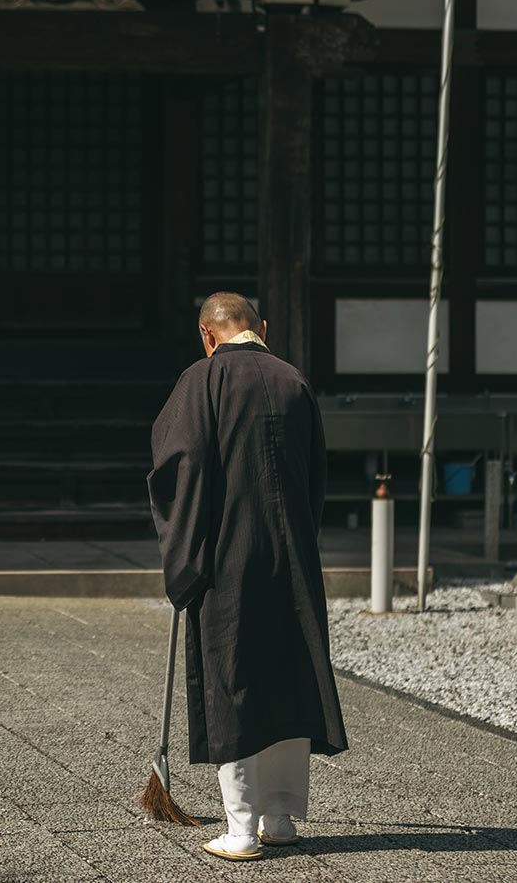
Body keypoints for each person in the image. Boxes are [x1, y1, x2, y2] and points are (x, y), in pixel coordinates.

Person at [147, 292, 349, 862]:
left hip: (230, 557)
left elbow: (177, 472)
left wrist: (184, 556)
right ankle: (280, 817)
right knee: (286, 673)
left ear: (207, 336)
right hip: (292, 555)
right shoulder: (294, 381)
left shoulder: (202, 380)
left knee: (234, 679)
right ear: (261, 327)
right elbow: (316, 478)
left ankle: (240, 829)